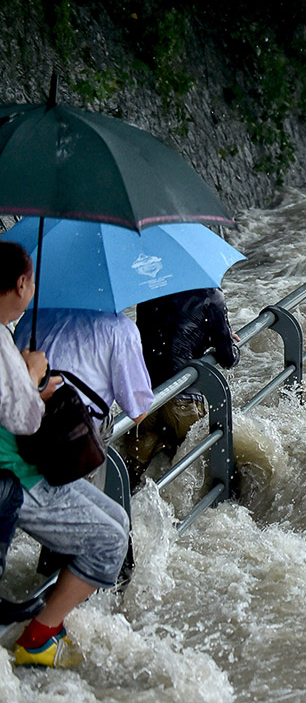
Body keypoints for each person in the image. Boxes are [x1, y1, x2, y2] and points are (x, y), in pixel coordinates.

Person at [0, 241, 129, 668]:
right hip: (15, 474)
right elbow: (23, 419)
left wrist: (29, 382)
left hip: (22, 462)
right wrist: (32, 376)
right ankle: (38, 638)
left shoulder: (6, 333)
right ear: (21, 284)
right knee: (110, 540)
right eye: (32, 280)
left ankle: (46, 624)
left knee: (119, 520)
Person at [129, 288, 239, 490]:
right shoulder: (210, 294)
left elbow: (155, 335)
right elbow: (228, 358)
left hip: (145, 400)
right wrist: (225, 339)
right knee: (211, 474)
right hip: (184, 401)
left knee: (130, 480)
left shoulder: (148, 291)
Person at [14, 308, 154, 431]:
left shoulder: (33, 313)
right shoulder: (120, 328)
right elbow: (138, 412)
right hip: (71, 437)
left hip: (18, 425)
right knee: (107, 422)